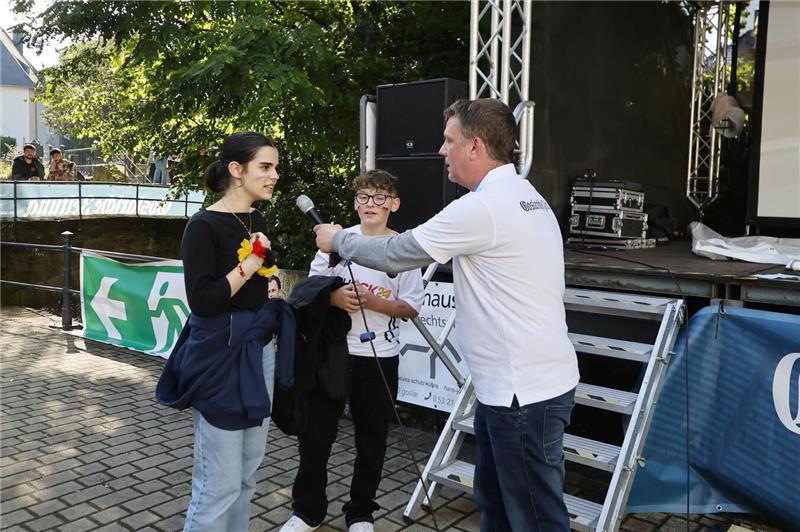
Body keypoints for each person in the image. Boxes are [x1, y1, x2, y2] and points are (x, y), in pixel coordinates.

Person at [314, 99, 580, 531]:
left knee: (535, 520)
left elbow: (397, 253)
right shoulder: (524, 195)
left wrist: (339, 240)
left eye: (449, 140)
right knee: (494, 506)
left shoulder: (484, 207)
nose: (441, 150)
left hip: (523, 395)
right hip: (516, 389)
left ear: (475, 147)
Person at [155, 131, 291, 532]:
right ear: (236, 170)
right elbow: (204, 301)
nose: (274, 176)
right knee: (219, 484)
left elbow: (259, 274)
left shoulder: (256, 217)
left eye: (275, 168)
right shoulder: (202, 226)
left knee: (247, 476)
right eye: (265, 167)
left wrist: (269, 280)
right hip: (219, 356)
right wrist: (253, 263)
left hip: (258, 351)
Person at [281, 170, 424, 532]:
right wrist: (331, 296)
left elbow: (410, 307)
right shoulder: (335, 241)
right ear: (355, 203)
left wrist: (375, 302)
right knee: (316, 438)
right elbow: (306, 292)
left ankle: (361, 513)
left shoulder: (402, 248)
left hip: (380, 359)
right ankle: (307, 511)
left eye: (380, 197)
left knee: (372, 441)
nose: (370, 205)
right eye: (363, 197)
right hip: (331, 355)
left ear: (394, 204)